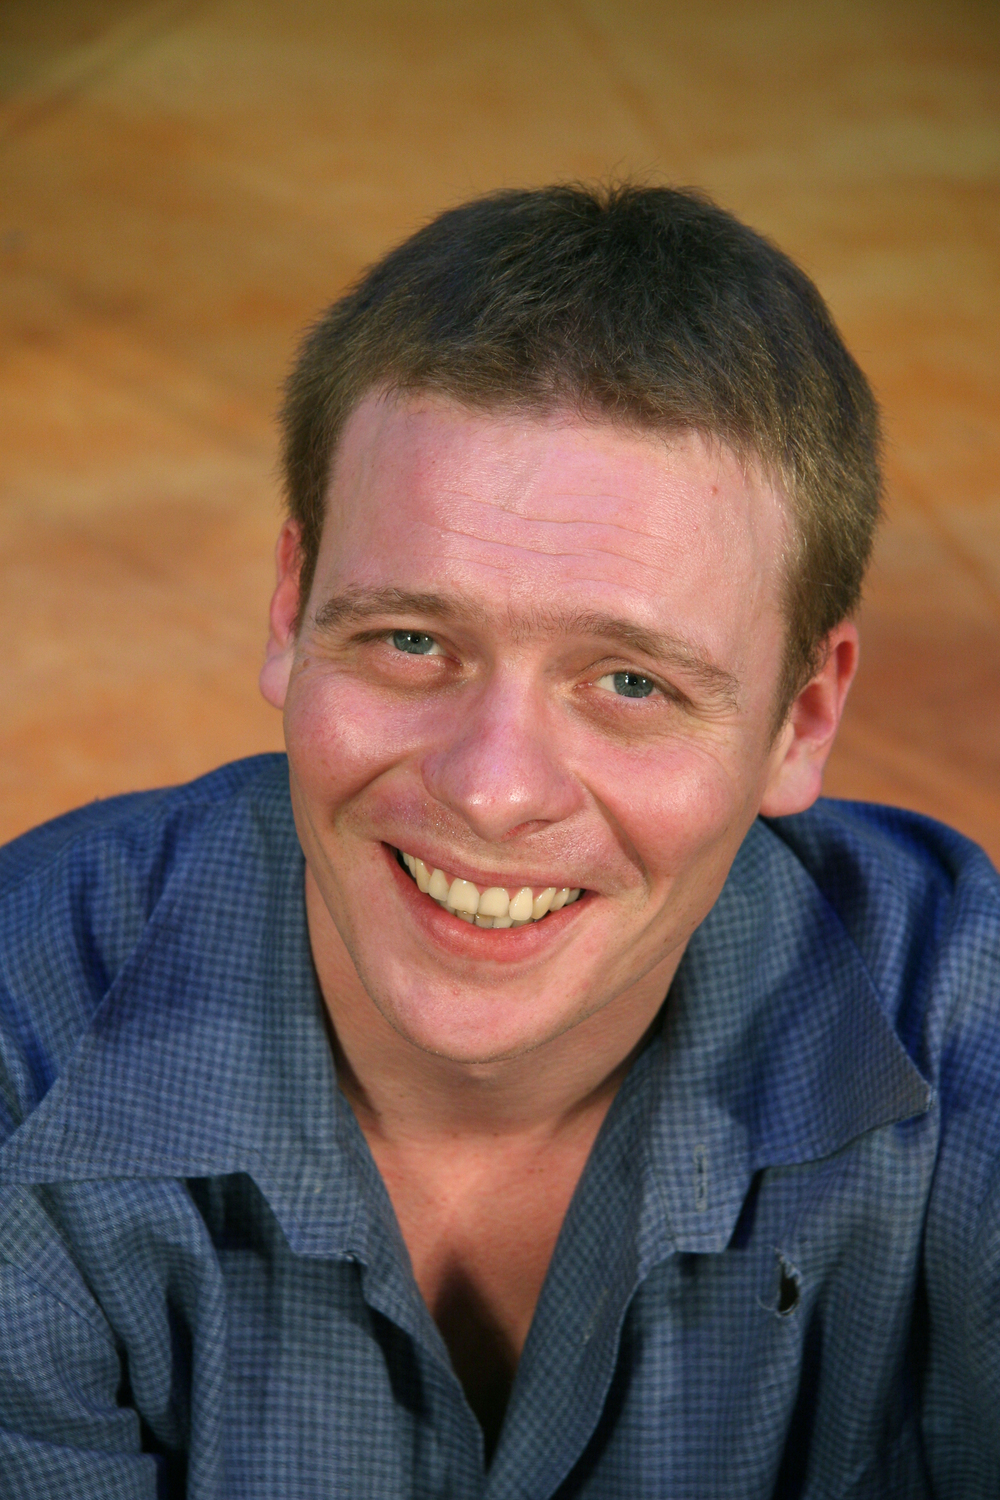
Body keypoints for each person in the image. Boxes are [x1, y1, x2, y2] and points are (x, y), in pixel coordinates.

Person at [0, 183, 997, 1500]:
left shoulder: (963, 1032)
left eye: (631, 682)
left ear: (802, 721)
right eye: (412, 640)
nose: (491, 790)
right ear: (292, 612)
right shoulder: (18, 1049)